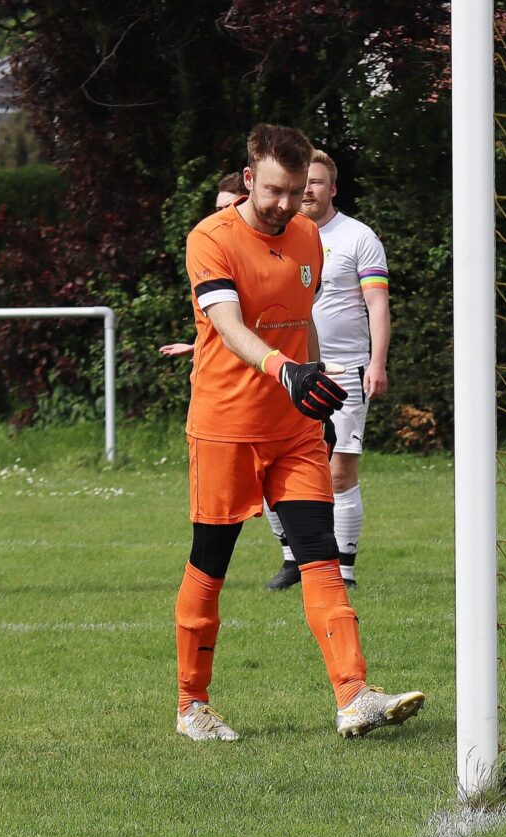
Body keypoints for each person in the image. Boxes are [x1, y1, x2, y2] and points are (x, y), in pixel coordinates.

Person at [174, 123, 423, 741]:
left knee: (321, 553)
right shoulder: (211, 238)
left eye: (296, 191)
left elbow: (303, 321)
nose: (287, 204)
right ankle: (192, 705)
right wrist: (286, 370)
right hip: (226, 427)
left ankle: (354, 695)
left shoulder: (309, 236)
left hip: (294, 427)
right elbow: (228, 323)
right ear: (249, 178)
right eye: (274, 191)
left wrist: (314, 383)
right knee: (211, 562)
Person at [264, 149, 391, 592]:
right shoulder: (280, 236)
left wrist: (377, 362)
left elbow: (377, 304)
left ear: (332, 188)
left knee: (338, 472)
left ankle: (344, 569)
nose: (307, 191)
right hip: (286, 370)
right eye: (303, 183)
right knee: (272, 468)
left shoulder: (358, 237)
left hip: (343, 368)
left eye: (316, 183)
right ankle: (292, 561)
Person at [160, 172, 248, 357]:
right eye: (218, 209)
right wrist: (198, 346)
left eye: (228, 207)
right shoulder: (207, 245)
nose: (222, 214)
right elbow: (222, 321)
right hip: (218, 366)